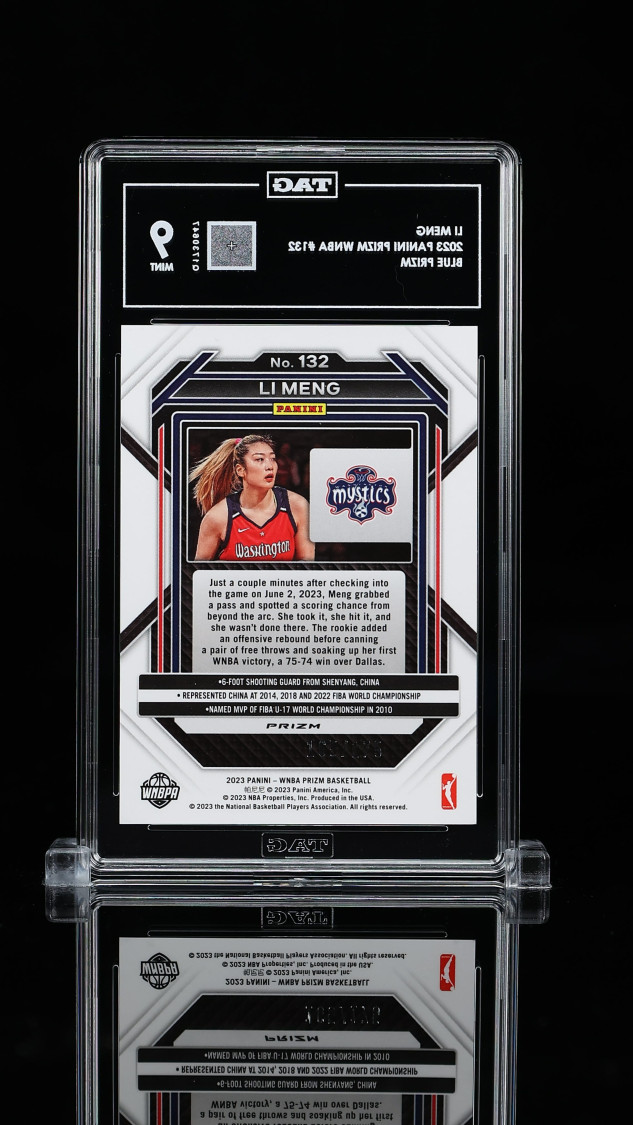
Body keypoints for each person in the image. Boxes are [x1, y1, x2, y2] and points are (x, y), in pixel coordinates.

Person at [190, 434, 314, 561]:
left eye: (272, 459)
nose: (270, 466)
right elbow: (199, 572)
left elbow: (307, 568)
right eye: (260, 459)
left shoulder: (298, 506)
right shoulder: (217, 518)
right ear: (240, 470)